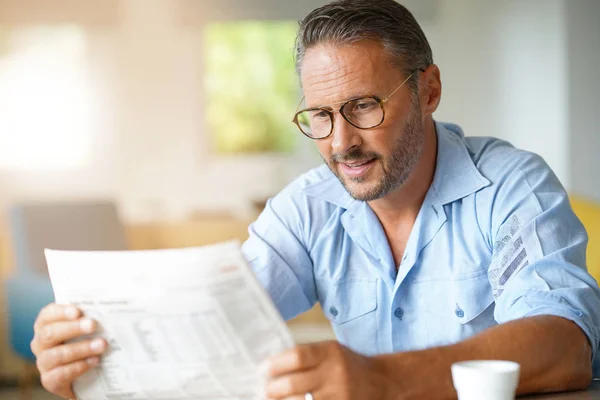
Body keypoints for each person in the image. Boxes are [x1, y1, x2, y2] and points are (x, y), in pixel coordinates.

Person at [30, 0, 600, 399]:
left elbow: (564, 344)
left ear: (428, 91)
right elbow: (215, 325)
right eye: (321, 116)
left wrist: (384, 382)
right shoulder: (307, 209)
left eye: (363, 107)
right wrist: (94, 366)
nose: (341, 142)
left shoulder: (511, 187)